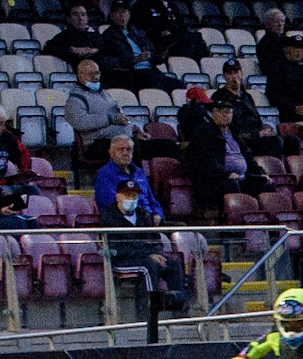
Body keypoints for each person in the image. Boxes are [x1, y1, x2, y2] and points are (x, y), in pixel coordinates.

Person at [101, 178, 188, 316]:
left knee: (174, 264)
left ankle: (179, 313)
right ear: (118, 196)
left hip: (147, 257)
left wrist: (157, 253)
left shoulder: (144, 215)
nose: (131, 199)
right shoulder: (109, 217)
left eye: (134, 196)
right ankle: (147, 316)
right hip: (122, 261)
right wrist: (147, 255)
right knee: (149, 267)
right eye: (127, 195)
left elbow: (155, 240)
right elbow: (117, 248)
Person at [188, 99, 267, 214]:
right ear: (214, 113)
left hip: (241, 177)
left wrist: (260, 173)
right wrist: (226, 174)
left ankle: (265, 224)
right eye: (224, 112)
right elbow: (206, 161)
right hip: (217, 180)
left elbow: (248, 156)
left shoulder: (234, 133)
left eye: (230, 112)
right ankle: (238, 225)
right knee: (232, 186)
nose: (228, 116)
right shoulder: (204, 133)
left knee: (264, 184)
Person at [64, 60, 134, 160]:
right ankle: (133, 175)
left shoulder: (105, 94)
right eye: (90, 74)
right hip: (96, 144)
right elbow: (80, 123)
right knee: (131, 148)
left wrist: (135, 131)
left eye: (97, 73)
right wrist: (110, 119)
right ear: (80, 76)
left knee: (159, 145)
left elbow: (120, 115)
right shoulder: (75, 100)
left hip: (120, 139)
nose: (95, 77)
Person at [94, 135, 164, 221]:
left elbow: (152, 200)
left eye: (129, 149)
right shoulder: (105, 174)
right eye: (121, 149)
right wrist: (143, 216)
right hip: (125, 222)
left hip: (150, 221)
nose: (125, 153)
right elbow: (111, 205)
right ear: (111, 153)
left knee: (180, 228)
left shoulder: (139, 172)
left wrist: (158, 214)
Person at [267, 34, 303, 124]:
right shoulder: (278, 68)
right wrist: (293, 108)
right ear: (288, 49)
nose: (298, 51)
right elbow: (273, 94)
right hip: (287, 112)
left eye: (301, 48)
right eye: (295, 48)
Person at [43, 4, 104, 71]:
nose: (80, 18)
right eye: (75, 15)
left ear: (87, 19)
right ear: (68, 19)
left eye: (83, 15)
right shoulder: (63, 36)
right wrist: (72, 49)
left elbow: (108, 48)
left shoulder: (95, 36)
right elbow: (48, 49)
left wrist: (91, 51)